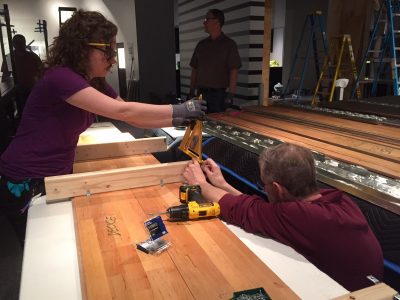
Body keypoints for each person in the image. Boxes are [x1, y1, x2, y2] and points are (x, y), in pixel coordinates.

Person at [0, 10, 206, 245]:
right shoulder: (60, 77)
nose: (113, 59)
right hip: (26, 178)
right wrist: (179, 109)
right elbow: (123, 112)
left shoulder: (93, 81)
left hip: (55, 176)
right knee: (45, 249)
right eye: (107, 51)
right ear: (83, 47)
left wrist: (176, 121)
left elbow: (131, 115)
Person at [183, 143, 383, 291]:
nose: (264, 189)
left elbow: (240, 209)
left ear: (277, 188)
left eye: (264, 185)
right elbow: (257, 207)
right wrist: (222, 184)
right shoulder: (338, 201)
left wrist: (200, 183)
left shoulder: (300, 216)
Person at [189, 9, 241, 113]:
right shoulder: (201, 45)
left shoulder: (229, 45)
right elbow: (195, 69)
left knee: (215, 124)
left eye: (207, 19)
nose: (204, 22)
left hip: (218, 95)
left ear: (217, 22)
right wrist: (191, 91)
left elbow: (234, 71)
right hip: (201, 93)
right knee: (199, 123)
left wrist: (230, 96)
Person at [11, 34, 44, 117]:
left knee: (34, 109)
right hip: (18, 89)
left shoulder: (33, 56)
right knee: (22, 110)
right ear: (13, 44)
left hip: (33, 88)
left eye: (21, 43)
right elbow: (6, 75)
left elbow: (42, 71)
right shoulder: (10, 58)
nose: (19, 45)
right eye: (17, 43)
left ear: (24, 43)